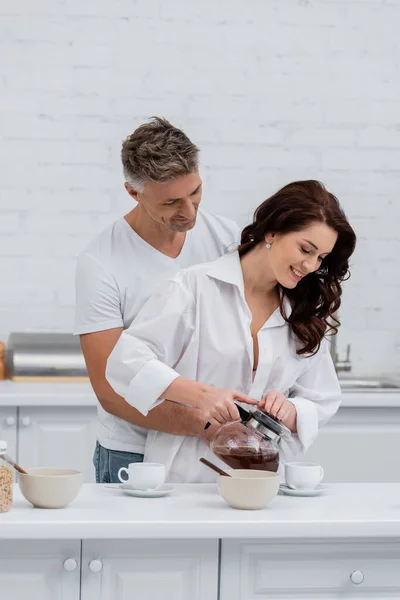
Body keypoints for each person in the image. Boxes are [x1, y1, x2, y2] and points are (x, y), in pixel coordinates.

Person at [106, 180, 357, 483]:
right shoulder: (193, 289)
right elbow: (125, 363)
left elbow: (323, 400)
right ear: (272, 231)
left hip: (260, 482)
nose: (309, 265)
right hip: (185, 478)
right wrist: (203, 395)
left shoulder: (301, 315)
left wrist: (289, 409)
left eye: (320, 259)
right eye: (306, 249)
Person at [74, 117, 242, 483]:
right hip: (133, 452)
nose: (190, 212)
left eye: (195, 192)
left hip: (212, 444)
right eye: (171, 202)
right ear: (133, 193)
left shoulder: (227, 238)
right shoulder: (101, 262)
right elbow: (110, 390)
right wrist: (203, 422)